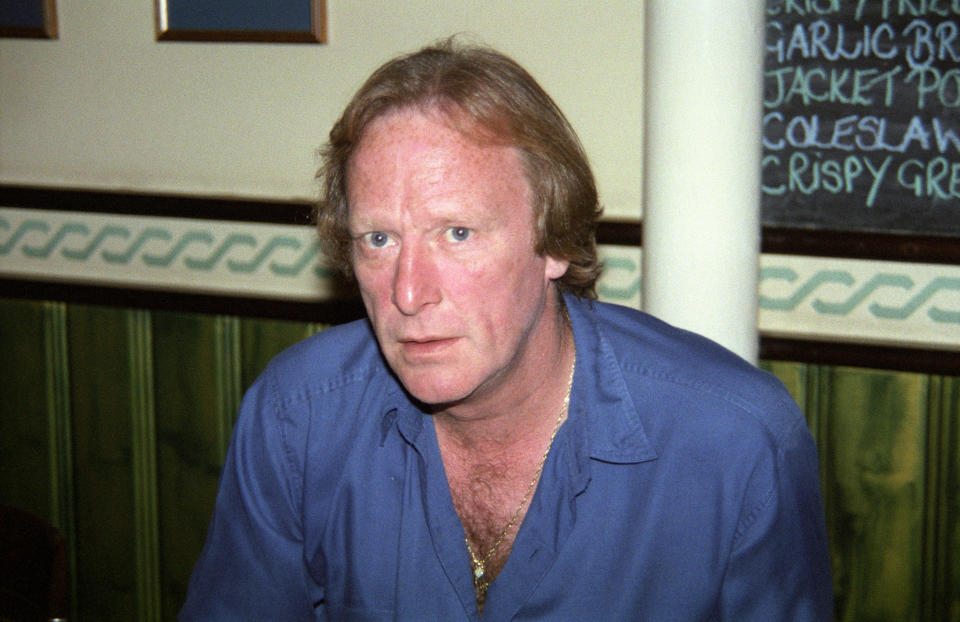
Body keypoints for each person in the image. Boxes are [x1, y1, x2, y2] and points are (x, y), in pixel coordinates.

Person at [180, 38, 832, 621]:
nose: (408, 293)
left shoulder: (736, 443)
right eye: (378, 239)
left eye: (457, 234)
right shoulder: (297, 418)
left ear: (552, 241)